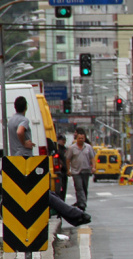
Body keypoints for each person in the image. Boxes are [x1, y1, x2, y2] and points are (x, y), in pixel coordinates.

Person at [7, 96, 90, 226]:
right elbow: (20, 131)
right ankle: (75, 215)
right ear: (26, 107)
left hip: (16, 161)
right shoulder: (23, 120)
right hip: (25, 161)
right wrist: (25, 143)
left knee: (47, 193)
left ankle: (74, 215)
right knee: (44, 193)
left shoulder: (11, 120)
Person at [65, 127, 96, 211]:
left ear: (84, 139)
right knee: (79, 187)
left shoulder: (88, 147)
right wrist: (68, 170)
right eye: (79, 138)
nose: (81, 140)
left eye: (82, 138)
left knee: (84, 188)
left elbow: (92, 158)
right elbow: (68, 159)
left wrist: (93, 167)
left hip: (86, 170)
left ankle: (82, 202)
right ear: (77, 139)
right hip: (76, 171)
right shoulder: (72, 148)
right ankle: (82, 203)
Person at [54, 134, 68, 201]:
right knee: (60, 188)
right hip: (59, 171)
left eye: (64, 140)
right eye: (62, 140)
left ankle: (63, 200)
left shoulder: (65, 149)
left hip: (65, 171)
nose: (63, 141)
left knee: (64, 187)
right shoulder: (57, 149)